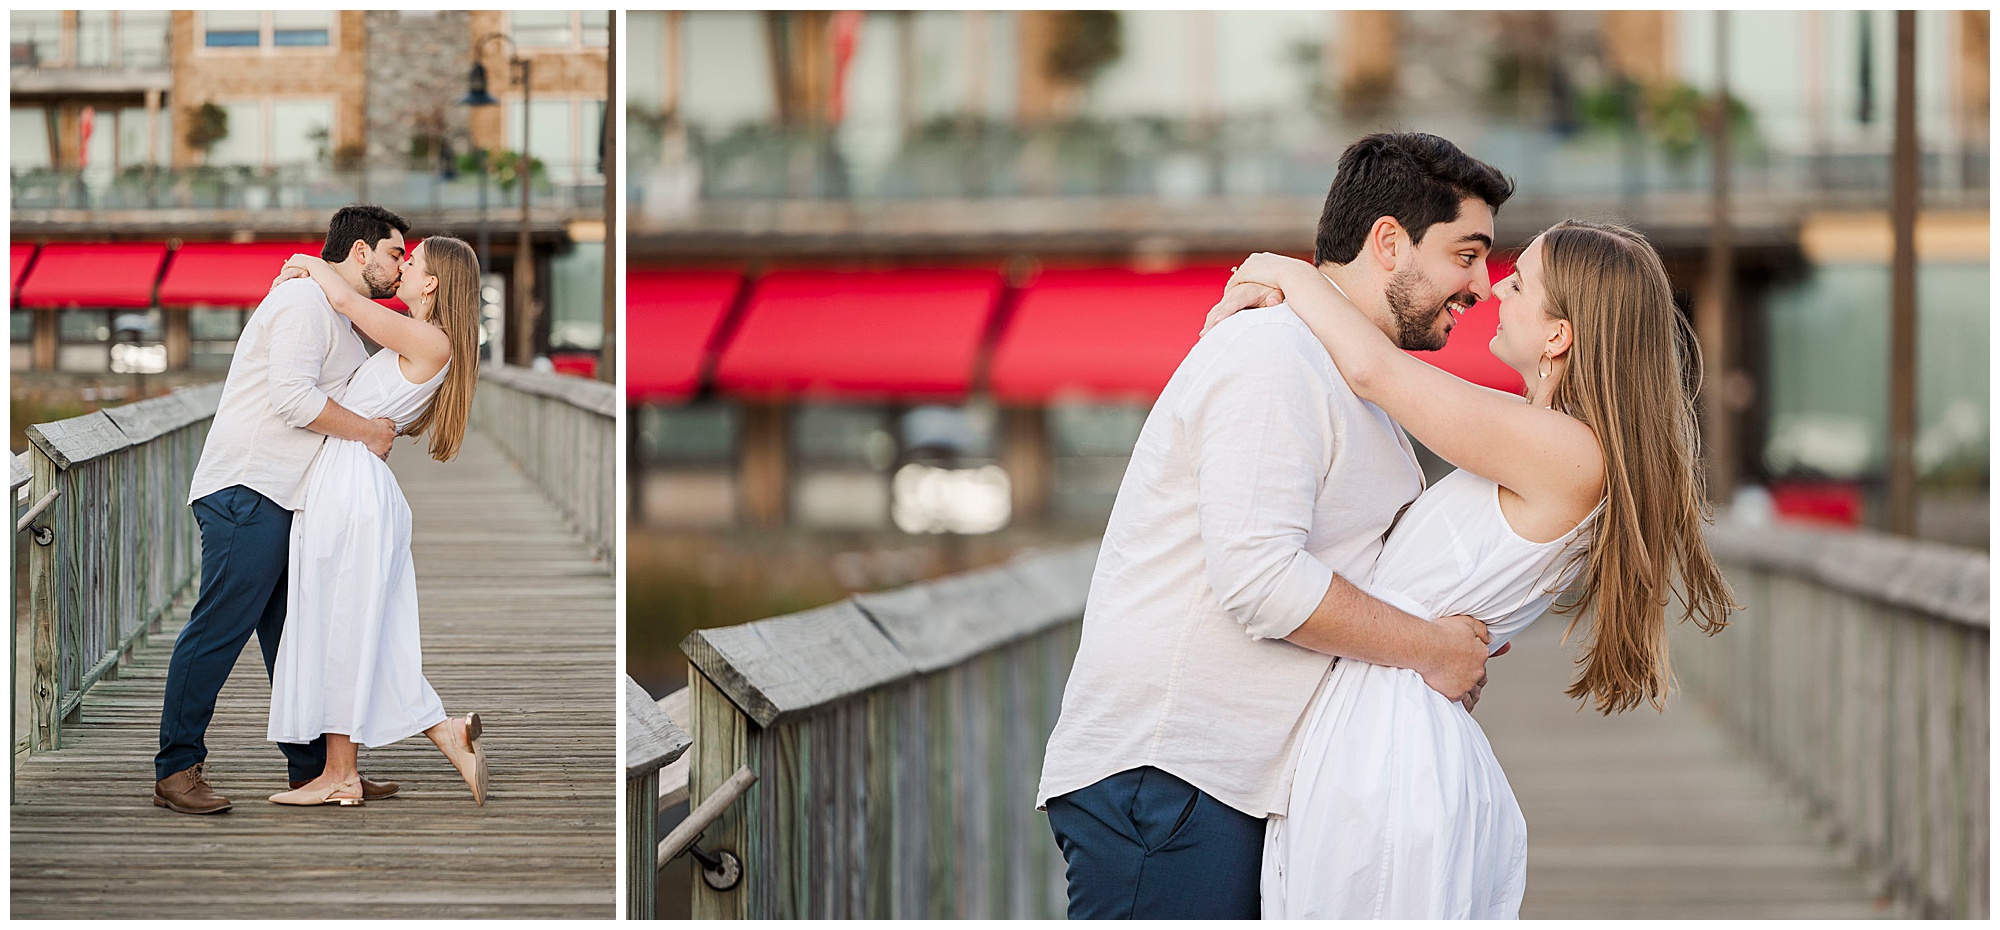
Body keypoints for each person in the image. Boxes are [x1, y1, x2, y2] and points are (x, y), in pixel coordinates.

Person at [1034, 132, 1514, 919]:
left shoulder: (1347, 376)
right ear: (1388, 242)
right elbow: (1259, 582)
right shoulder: (1273, 355)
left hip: (1235, 782)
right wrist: (1433, 649)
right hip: (1175, 780)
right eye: (1467, 253)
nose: (1482, 285)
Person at [1210, 219, 1735, 917]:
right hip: (1386, 732)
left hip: (1391, 753)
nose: (1495, 293)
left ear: (1559, 335)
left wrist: (1291, 272)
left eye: (1519, 284)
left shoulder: (1564, 448)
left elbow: (1375, 371)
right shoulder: (1554, 441)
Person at [155, 204, 408, 815]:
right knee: (219, 627)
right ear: (360, 252)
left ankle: (316, 771)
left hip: (283, 494)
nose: (399, 268)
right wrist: (368, 433)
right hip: (248, 487)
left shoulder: (332, 310)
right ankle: (176, 768)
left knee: (294, 638)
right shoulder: (301, 305)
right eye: (395, 254)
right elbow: (293, 400)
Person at [263, 236, 489, 807]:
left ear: (431, 284)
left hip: (352, 490)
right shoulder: (428, 341)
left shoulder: (429, 339)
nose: (401, 269)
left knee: (341, 623)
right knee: (361, 627)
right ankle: (444, 733)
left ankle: (341, 775)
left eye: (410, 264)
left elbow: (345, 302)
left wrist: (309, 261)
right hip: (353, 484)